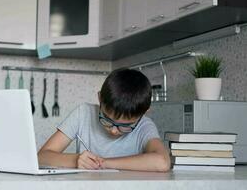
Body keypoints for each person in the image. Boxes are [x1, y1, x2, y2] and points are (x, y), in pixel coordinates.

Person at [38, 68, 171, 172]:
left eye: (125, 126)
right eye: (106, 119)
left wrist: (103, 162)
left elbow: (162, 162)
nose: (113, 131)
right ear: (100, 98)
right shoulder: (83, 114)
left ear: (143, 113)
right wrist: (76, 160)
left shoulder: (145, 126)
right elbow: (42, 157)